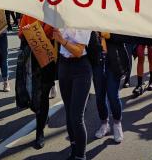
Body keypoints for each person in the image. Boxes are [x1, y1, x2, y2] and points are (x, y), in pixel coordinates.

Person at [17, 15, 57, 149]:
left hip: (47, 57)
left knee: (43, 96)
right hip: (31, 60)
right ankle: (42, 117)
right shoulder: (27, 13)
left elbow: (54, 34)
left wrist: (42, 30)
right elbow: (21, 34)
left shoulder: (53, 11)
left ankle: (40, 133)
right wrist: (28, 33)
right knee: (33, 97)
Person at [53, 28, 92, 160]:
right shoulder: (59, 18)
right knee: (69, 112)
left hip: (81, 68)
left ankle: (81, 156)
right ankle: (74, 150)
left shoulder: (85, 20)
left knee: (76, 116)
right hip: (64, 66)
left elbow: (78, 52)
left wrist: (62, 41)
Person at [92, 32, 129, 143]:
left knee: (113, 95)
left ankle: (117, 124)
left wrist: (110, 35)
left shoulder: (116, 15)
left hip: (113, 61)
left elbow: (126, 36)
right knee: (99, 96)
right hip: (97, 61)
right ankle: (104, 124)